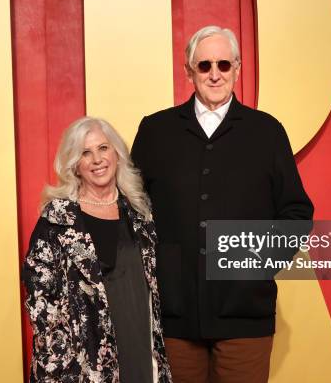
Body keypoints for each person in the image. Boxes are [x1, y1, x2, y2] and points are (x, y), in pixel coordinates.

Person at [131, 25, 314, 382]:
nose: (214, 74)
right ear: (188, 71)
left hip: (245, 315)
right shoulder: (155, 131)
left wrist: (254, 265)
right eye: (204, 66)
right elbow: (132, 210)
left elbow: (297, 214)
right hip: (173, 315)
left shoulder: (267, 132)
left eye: (224, 65)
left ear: (237, 68)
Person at [22, 117, 172, 383]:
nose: (97, 160)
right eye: (85, 153)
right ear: (75, 166)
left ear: (117, 153)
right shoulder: (57, 219)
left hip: (140, 349)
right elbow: (41, 301)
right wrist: (65, 360)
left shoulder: (140, 213)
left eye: (103, 148)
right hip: (80, 364)